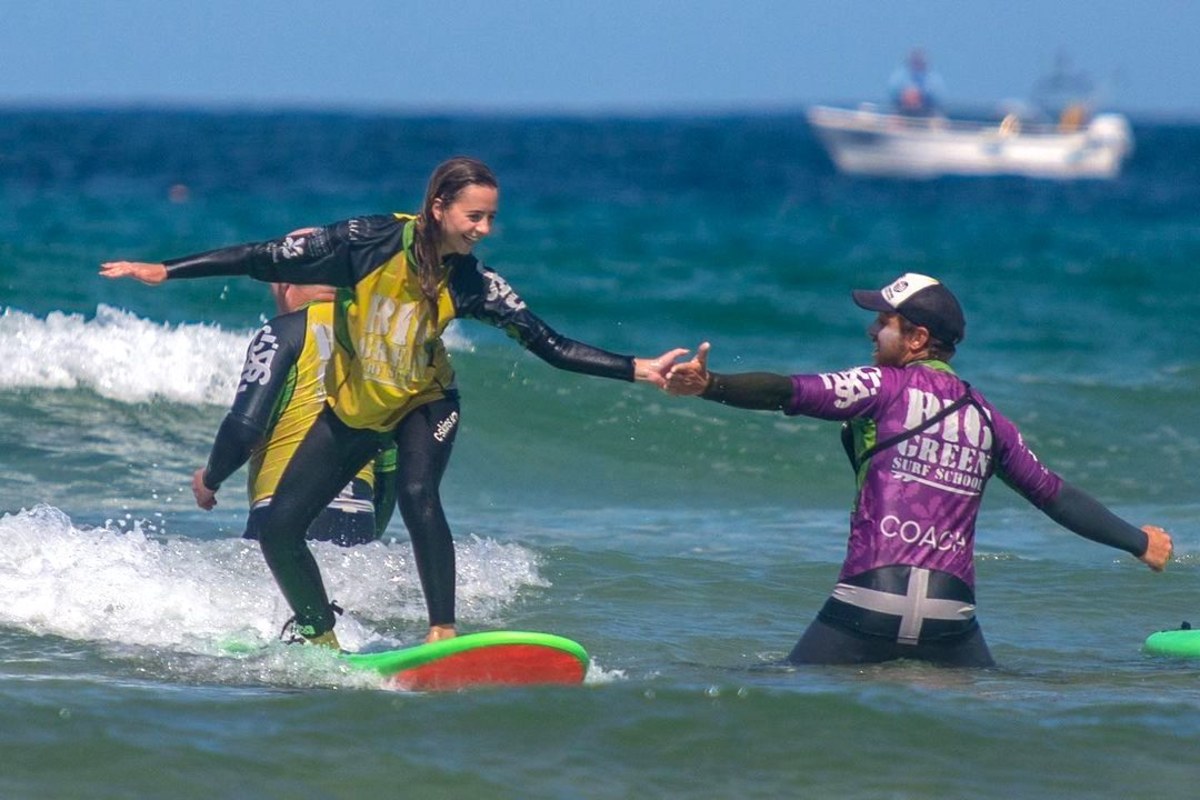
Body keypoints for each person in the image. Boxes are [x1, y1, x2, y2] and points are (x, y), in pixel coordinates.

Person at [102, 156, 686, 649]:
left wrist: (641, 370)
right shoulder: (366, 242)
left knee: (416, 490)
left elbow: (550, 345)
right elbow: (267, 256)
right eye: (474, 216)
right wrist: (165, 270)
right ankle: (317, 632)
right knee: (281, 529)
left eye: (490, 218)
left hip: (427, 401)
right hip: (358, 406)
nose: (483, 228)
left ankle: (442, 632)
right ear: (438, 207)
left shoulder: (473, 283)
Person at [665, 273, 1173, 667]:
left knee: (776, 691)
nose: (872, 329)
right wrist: (1138, 541)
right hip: (949, 616)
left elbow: (785, 392)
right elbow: (1054, 495)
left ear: (916, 338)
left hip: (870, 597)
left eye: (883, 322)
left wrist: (711, 385)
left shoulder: (880, 386)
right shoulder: (988, 419)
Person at [194, 281, 397, 547]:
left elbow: (245, 426)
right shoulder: (377, 343)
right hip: (359, 517)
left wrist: (210, 480)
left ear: (287, 285)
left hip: (285, 510)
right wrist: (369, 538)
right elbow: (388, 462)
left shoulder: (282, 331)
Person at [888, 48, 945, 116]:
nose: (917, 63)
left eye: (920, 61)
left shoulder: (932, 78)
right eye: (915, 61)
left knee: (938, 122)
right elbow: (893, 93)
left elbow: (937, 97)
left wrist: (921, 96)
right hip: (901, 110)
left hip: (927, 111)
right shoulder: (899, 77)